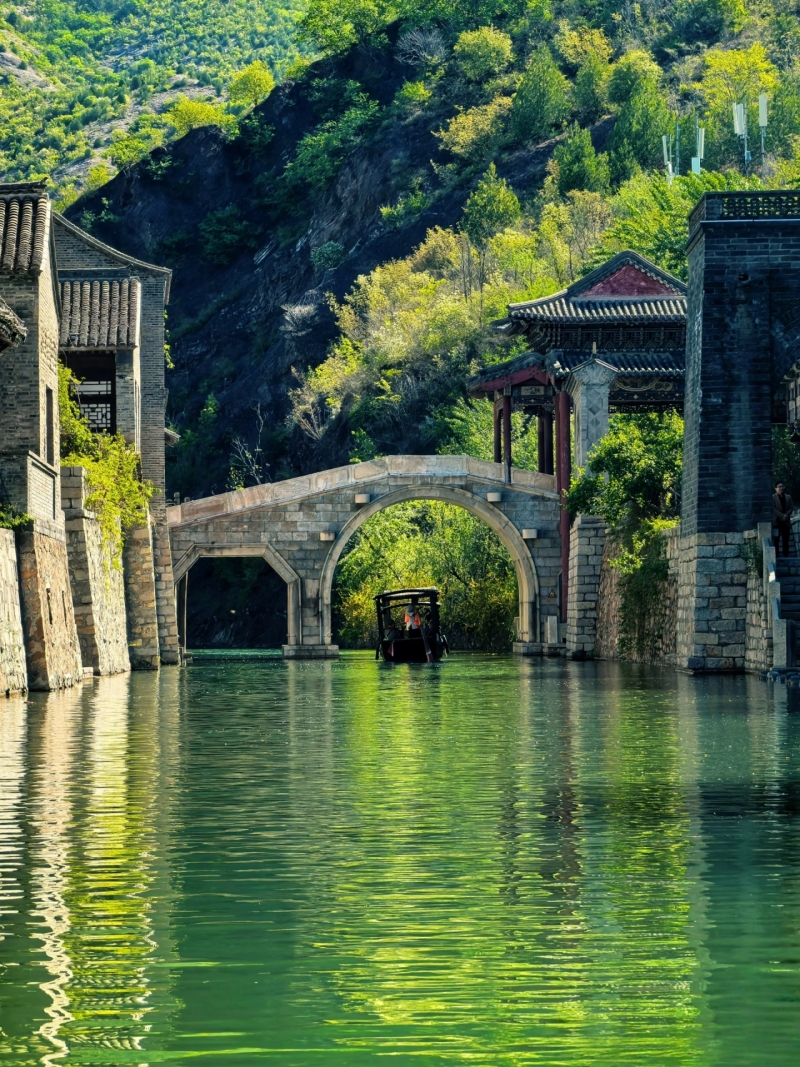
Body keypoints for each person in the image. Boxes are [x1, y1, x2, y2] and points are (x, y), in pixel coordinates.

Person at [773, 481, 794, 557]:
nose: (781, 488)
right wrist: (782, 516)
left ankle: (786, 555)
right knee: (776, 540)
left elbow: (791, 507)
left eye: (782, 486)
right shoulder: (773, 497)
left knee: (786, 540)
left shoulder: (788, 497)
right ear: (776, 488)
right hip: (777, 522)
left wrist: (786, 515)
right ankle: (776, 555)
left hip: (786, 522)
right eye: (779, 487)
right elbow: (773, 509)